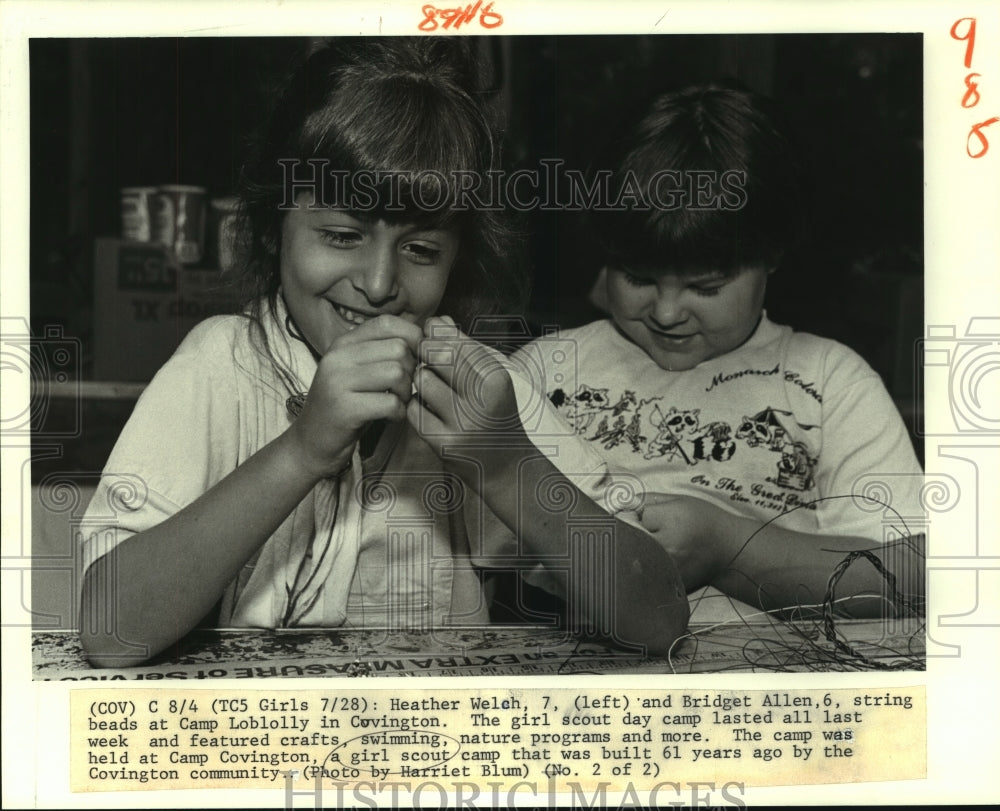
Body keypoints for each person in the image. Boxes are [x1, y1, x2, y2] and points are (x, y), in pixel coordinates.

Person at [78, 38, 689, 667]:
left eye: (421, 250)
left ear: (459, 258)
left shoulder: (478, 392)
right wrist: (302, 450)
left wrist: (507, 466)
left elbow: (658, 619)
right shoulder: (221, 367)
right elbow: (107, 631)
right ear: (270, 228)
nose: (377, 284)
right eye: (342, 235)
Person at [430, 82, 925, 623]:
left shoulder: (829, 382)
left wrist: (731, 545)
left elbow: (911, 577)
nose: (666, 313)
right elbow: (471, 561)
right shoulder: (542, 371)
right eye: (637, 277)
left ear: (773, 257)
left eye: (705, 287)